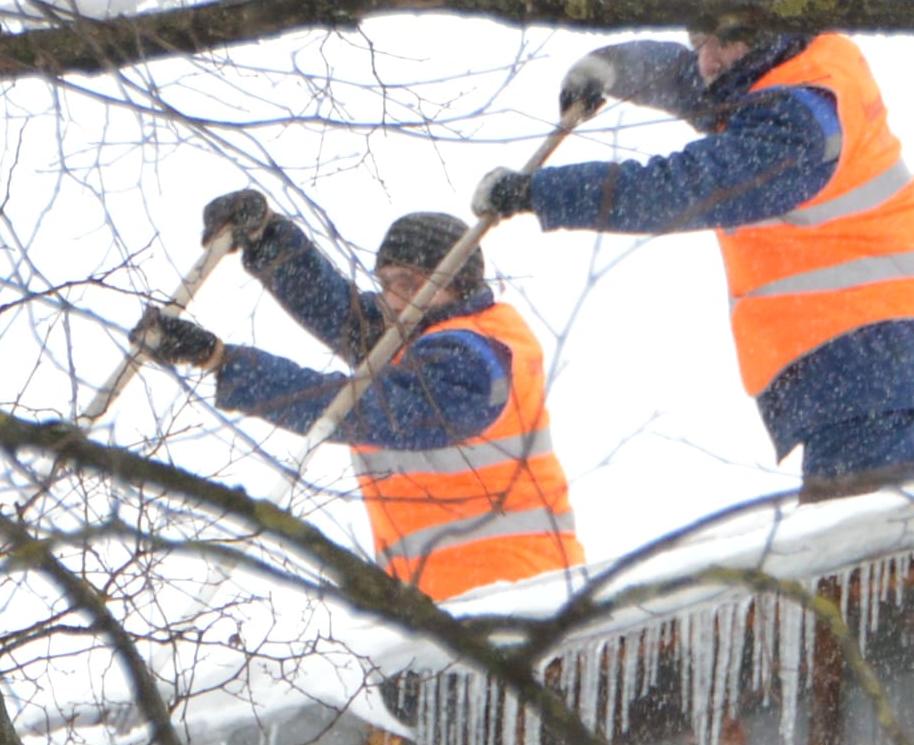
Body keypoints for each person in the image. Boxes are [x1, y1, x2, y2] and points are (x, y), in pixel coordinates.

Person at [479, 14, 914, 500]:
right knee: (852, 551)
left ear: (767, 32)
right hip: (872, 365)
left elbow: (680, 188)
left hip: (879, 361)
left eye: (722, 43)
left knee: (851, 555)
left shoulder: (801, 118)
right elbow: (680, 74)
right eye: (699, 43)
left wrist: (537, 192)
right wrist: (606, 68)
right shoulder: (776, 73)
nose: (707, 61)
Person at [129, 194, 585, 601]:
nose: (394, 299)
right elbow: (338, 310)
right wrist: (267, 240)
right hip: (442, 606)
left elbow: (365, 410)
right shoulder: (421, 335)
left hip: (521, 596)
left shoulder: (475, 358)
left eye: (412, 284)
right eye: (387, 282)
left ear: (457, 284)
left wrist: (221, 362)